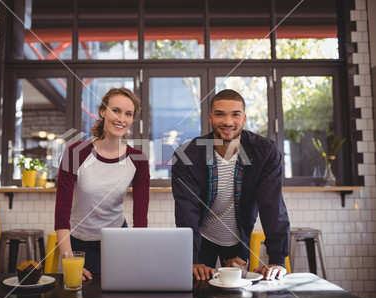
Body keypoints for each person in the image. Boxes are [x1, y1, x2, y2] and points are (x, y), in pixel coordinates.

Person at [171, 89, 290, 281]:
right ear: (210, 118)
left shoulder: (266, 152)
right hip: (201, 240)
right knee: (197, 292)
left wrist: (277, 259)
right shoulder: (186, 156)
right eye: (220, 114)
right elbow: (186, 212)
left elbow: (273, 206)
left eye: (235, 114)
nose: (227, 122)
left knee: (238, 296)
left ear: (244, 119)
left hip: (238, 237)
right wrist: (191, 259)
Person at [54, 87, 150, 280]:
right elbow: (61, 212)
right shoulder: (75, 153)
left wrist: (139, 254)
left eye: (128, 114)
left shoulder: (138, 160)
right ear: (103, 111)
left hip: (118, 240)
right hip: (80, 242)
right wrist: (69, 260)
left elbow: (140, 217)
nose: (121, 118)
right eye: (116, 110)